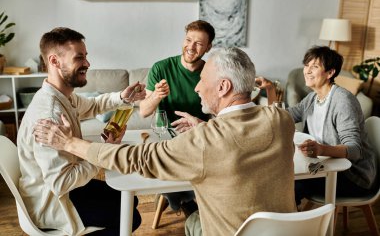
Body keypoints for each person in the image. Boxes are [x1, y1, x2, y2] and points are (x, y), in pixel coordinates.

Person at [34, 47, 297, 236]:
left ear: (223, 87)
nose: (196, 88)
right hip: (289, 231)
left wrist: (70, 143)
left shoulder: (205, 141)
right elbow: (238, 136)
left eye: (202, 81)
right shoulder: (281, 119)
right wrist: (207, 125)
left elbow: (138, 158)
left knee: (193, 222)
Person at [18, 27, 145, 235]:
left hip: (67, 188)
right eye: (79, 58)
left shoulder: (62, 96)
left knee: (130, 198)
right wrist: (103, 153)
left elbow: (93, 106)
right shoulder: (49, 115)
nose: (87, 63)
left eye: (86, 56)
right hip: (53, 201)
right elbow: (61, 183)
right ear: (54, 61)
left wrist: (122, 97)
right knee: (131, 216)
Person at [256, 46, 378, 207]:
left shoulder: (342, 101)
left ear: (330, 73)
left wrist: (321, 150)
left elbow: (354, 150)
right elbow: (282, 118)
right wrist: (270, 89)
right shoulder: (313, 98)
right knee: (276, 177)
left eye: (314, 67)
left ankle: (289, 227)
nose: (307, 71)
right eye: (306, 65)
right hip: (324, 167)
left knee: (286, 186)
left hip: (352, 176)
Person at [139, 20, 215, 215]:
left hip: (198, 138)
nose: (191, 47)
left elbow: (219, 116)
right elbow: (144, 111)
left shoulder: (211, 72)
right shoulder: (161, 68)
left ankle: (185, 200)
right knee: (163, 164)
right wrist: (156, 96)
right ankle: (184, 202)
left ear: (208, 47)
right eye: (188, 39)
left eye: (198, 43)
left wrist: (200, 127)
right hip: (165, 138)